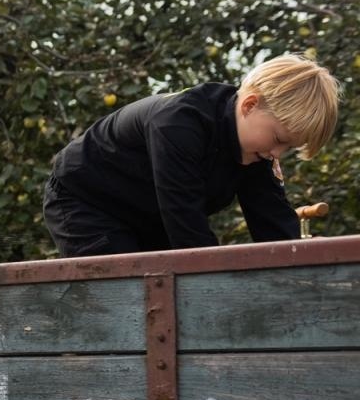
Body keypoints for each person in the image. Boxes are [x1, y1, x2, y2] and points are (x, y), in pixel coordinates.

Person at [42, 54, 341, 256]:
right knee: (126, 289)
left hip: (148, 215)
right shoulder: (179, 125)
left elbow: (274, 224)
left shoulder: (256, 152)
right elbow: (188, 228)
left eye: (287, 148)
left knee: (165, 291)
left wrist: (306, 260)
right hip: (86, 201)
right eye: (278, 140)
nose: (276, 154)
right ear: (249, 105)